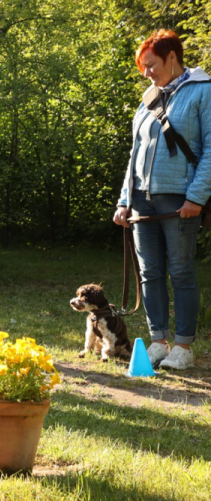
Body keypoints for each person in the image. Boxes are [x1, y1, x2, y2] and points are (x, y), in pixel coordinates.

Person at [114, 29, 211, 370]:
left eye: (151, 65)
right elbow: (135, 152)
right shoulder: (149, 97)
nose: (147, 73)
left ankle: (183, 347)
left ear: (172, 58)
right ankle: (158, 342)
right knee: (150, 272)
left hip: (180, 200)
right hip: (142, 199)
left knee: (181, 272)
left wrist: (196, 197)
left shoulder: (204, 92)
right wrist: (125, 200)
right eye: (143, 67)